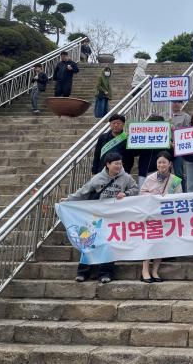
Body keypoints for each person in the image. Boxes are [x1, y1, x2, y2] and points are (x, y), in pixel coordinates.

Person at [63, 152, 138, 283]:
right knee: (87, 241)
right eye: (116, 164)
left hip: (113, 217)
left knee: (109, 244)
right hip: (95, 216)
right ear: (108, 164)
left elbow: (136, 189)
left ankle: (105, 273)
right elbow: (83, 191)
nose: (118, 166)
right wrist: (68, 200)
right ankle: (83, 272)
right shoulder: (98, 178)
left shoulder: (126, 177)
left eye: (120, 163)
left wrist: (126, 193)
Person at [139, 151, 182, 283]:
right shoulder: (150, 178)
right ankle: (144, 271)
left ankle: (155, 271)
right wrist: (154, 196)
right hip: (151, 215)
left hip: (166, 216)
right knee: (149, 242)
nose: (161, 165)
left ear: (170, 164)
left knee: (160, 244)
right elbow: (141, 193)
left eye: (164, 162)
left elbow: (179, 197)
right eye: (159, 162)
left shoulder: (175, 180)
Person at [137, 115, 168, 188]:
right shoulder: (142, 138)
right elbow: (134, 153)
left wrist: (171, 146)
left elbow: (171, 156)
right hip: (144, 172)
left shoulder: (166, 138)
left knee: (160, 192)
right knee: (142, 192)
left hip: (161, 171)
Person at [170, 101, 191, 182]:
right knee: (164, 171)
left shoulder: (186, 117)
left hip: (178, 148)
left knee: (178, 173)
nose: (175, 104)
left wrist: (175, 129)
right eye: (174, 102)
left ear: (182, 104)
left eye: (178, 102)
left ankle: (181, 189)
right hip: (166, 148)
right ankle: (167, 189)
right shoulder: (164, 115)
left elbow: (188, 133)